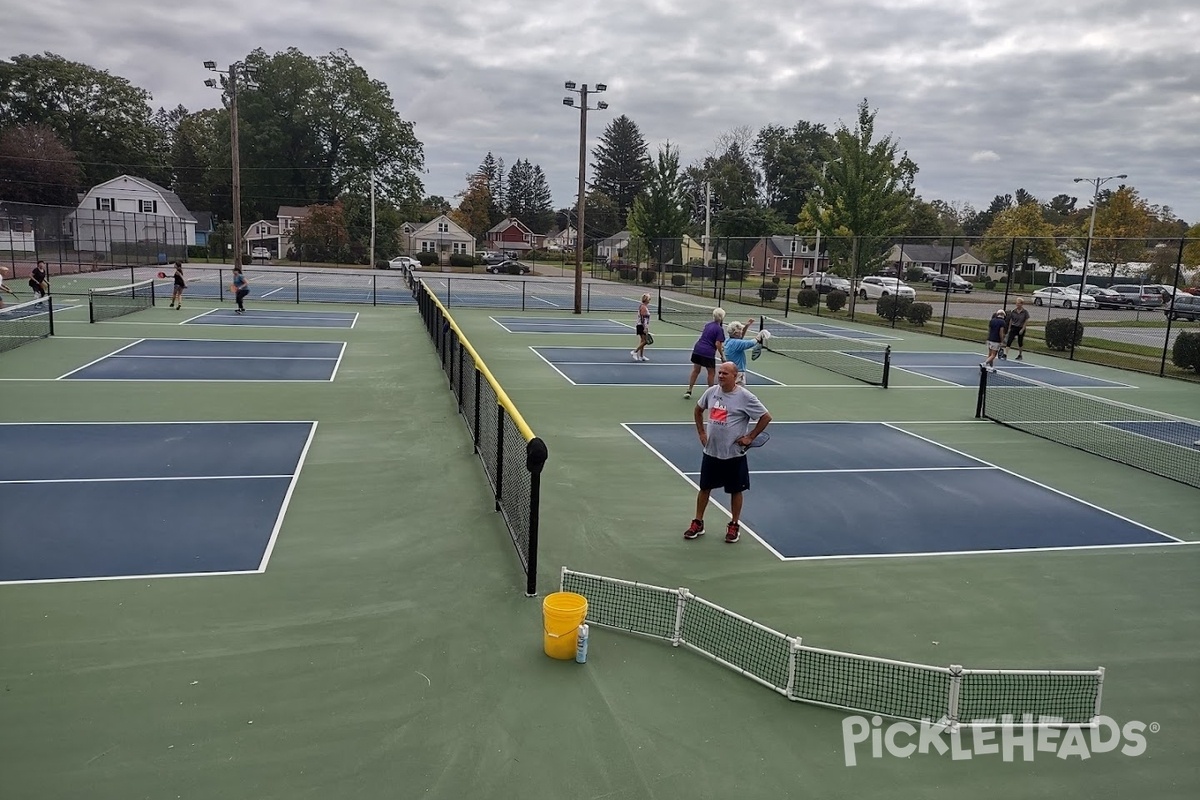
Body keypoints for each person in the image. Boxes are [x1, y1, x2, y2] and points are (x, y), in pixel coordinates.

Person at [684, 361, 772, 544]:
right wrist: (701, 432)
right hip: (711, 452)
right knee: (704, 488)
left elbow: (766, 417)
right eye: (720, 372)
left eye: (725, 373)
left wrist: (750, 437)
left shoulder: (745, 397)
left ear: (735, 376)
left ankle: (734, 525)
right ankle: (698, 522)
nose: (721, 376)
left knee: (735, 490)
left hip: (734, 454)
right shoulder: (711, 392)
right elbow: (698, 410)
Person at [684, 307, 727, 399]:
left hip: (698, 349)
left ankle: (689, 390)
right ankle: (711, 394)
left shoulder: (708, 325)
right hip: (707, 353)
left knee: (696, 370)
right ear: (722, 317)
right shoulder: (719, 329)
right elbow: (717, 343)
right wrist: (722, 356)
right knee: (711, 373)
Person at [719, 318, 759, 384]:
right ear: (736, 333)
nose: (741, 331)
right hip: (738, 373)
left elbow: (740, 337)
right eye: (740, 330)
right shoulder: (736, 343)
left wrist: (746, 326)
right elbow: (750, 343)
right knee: (738, 392)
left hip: (731, 371)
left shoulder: (728, 341)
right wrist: (759, 337)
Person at [631, 293, 652, 362]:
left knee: (642, 341)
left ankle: (641, 356)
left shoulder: (644, 307)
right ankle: (635, 352)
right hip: (641, 325)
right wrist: (645, 328)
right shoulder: (643, 307)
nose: (650, 300)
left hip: (642, 325)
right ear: (646, 300)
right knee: (645, 341)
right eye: (649, 299)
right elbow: (643, 319)